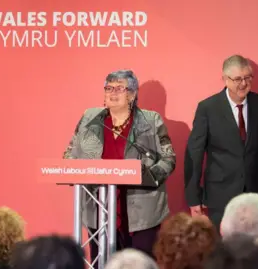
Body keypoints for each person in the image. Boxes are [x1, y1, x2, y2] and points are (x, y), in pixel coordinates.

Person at [63, 70, 176, 264]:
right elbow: (70, 154)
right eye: (108, 88)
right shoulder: (90, 118)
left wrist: (150, 176)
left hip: (141, 212)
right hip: (97, 208)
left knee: (140, 265)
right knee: (102, 264)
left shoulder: (151, 120)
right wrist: (69, 168)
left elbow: (168, 158)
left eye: (119, 88)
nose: (112, 93)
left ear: (132, 94)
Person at [184, 54, 258, 228]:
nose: (243, 84)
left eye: (248, 78)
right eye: (237, 79)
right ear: (225, 79)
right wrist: (193, 198)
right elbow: (194, 154)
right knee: (225, 251)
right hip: (220, 196)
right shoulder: (208, 108)